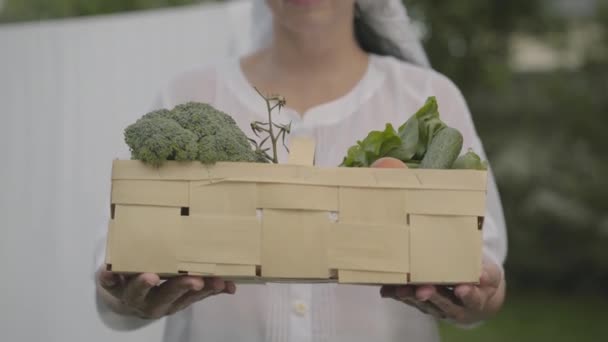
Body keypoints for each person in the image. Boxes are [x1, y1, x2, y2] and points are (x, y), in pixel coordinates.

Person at [95, 0, 508, 341]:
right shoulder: (185, 95)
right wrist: (124, 299)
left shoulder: (429, 97)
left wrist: (480, 302)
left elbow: (480, 262)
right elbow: (119, 261)